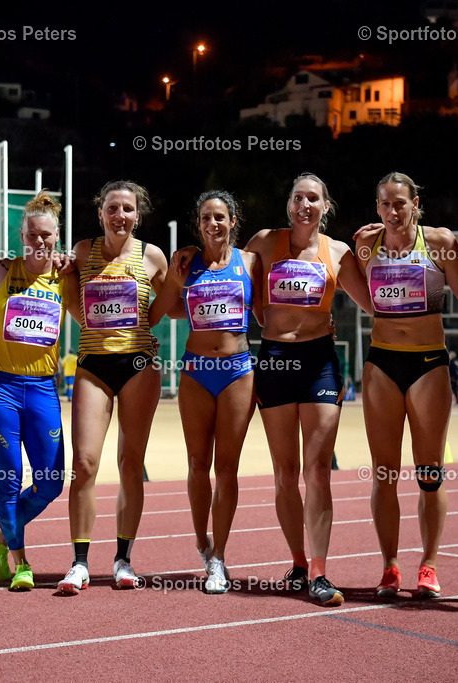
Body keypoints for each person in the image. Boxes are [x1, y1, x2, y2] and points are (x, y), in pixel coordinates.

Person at [244, 173, 372, 605]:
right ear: (289, 204)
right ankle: (298, 563)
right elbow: (232, 275)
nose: (304, 205)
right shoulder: (264, 242)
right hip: (275, 361)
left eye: (313, 198)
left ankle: (319, 572)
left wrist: (375, 249)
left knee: (317, 472)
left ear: (325, 206)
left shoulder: (338, 252)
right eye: (298, 197)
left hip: (319, 364)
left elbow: (372, 302)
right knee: (285, 473)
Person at [354, 172, 458, 599]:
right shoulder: (367, 243)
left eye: (400, 203)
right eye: (384, 204)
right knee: (384, 473)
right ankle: (390, 566)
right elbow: (338, 274)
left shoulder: (439, 242)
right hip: (382, 362)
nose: (392, 211)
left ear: (415, 203)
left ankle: (429, 565)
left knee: (429, 472)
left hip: (428, 362)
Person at [57, 180, 168, 593]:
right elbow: (71, 298)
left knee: (130, 464)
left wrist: (146, 325)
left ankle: (123, 559)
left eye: (128, 209)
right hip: (93, 365)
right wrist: (91, 323)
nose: (120, 215)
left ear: (138, 214)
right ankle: (79, 563)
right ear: (100, 212)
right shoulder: (82, 252)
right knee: (85, 464)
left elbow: (165, 309)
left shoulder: (151, 256)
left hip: (138, 366)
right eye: (112, 208)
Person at [150, 190, 259, 594]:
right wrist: (175, 282)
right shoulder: (185, 263)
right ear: (198, 224)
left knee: (227, 469)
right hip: (197, 370)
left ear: (233, 221)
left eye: (220, 217)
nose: (213, 224)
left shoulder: (250, 262)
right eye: (205, 218)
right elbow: (162, 310)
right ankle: (201, 541)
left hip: (237, 371)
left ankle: (219, 559)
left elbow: (269, 310)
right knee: (198, 463)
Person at [0, 191, 69, 592]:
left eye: (46, 235)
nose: (40, 241)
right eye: (33, 234)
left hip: (42, 388)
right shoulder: (0, 271)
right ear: (22, 235)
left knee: (51, 482)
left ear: (57, 236)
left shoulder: (67, 276)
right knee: (9, 480)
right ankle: (21, 563)